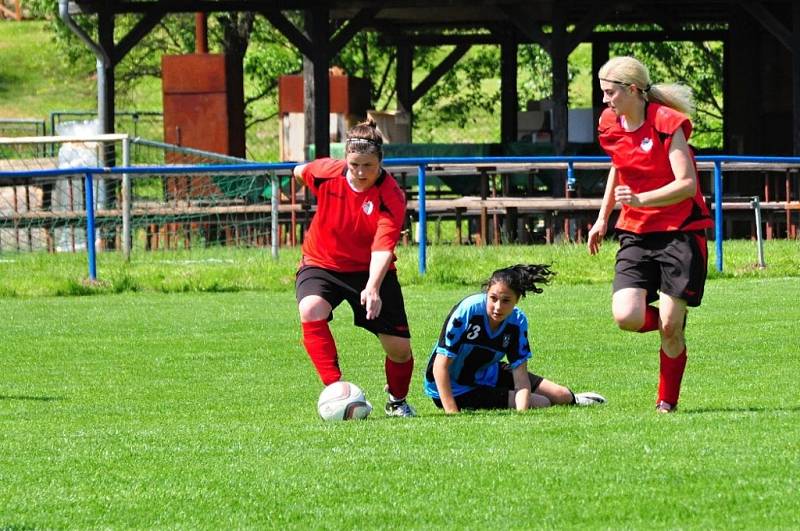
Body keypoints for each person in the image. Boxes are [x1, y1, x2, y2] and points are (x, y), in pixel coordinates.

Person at [587, 56, 713, 413]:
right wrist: (602, 218)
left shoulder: (665, 123)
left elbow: (687, 185)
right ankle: (673, 323)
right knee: (626, 316)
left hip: (680, 232)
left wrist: (641, 198)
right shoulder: (610, 123)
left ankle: (666, 402)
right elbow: (619, 167)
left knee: (671, 328)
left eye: (611, 93)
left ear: (631, 90)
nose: (606, 101)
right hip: (637, 232)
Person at [293, 119, 416, 417]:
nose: (360, 173)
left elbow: (383, 245)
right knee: (310, 309)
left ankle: (397, 401)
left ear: (381, 162)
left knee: (398, 350)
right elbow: (299, 171)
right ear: (345, 160)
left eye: (368, 166)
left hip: (370, 269)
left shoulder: (391, 196)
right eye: (354, 165)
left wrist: (372, 287)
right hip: (322, 263)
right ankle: (336, 391)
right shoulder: (326, 173)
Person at [423, 264, 606, 413]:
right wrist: (452, 413)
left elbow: (520, 378)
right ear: (487, 293)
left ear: (517, 300)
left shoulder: (517, 322)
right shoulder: (468, 311)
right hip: (455, 387)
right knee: (541, 402)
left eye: (506, 301)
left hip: (488, 371)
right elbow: (440, 367)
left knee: (561, 395)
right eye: (493, 298)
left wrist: (521, 414)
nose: (497, 306)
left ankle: (576, 400)